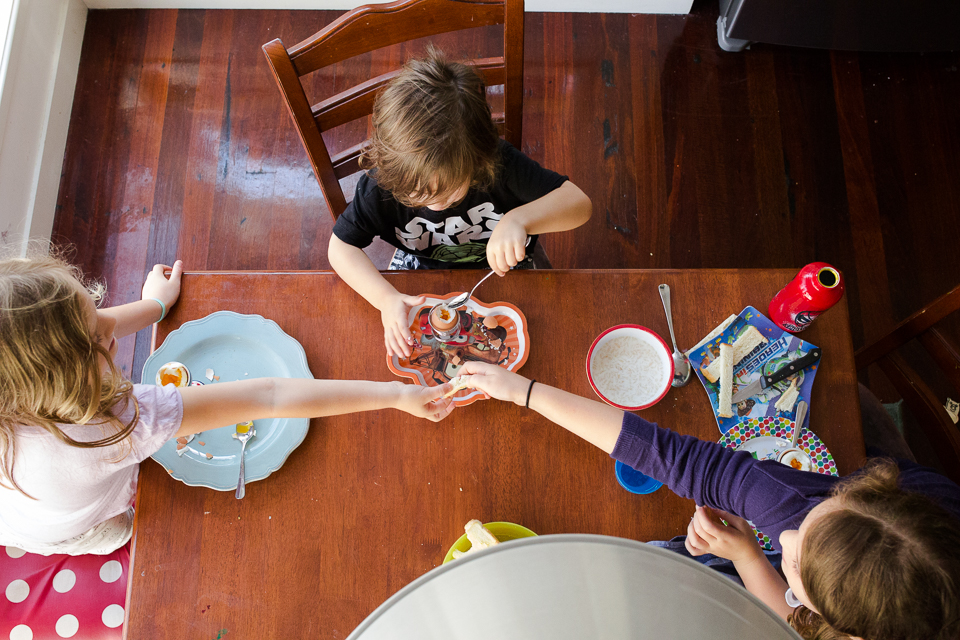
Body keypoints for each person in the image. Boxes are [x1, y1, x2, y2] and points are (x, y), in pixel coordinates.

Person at [458, 362, 960, 640]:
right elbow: (674, 457)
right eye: (820, 514)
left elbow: (797, 628)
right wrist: (525, 391)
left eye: (793, 561)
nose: (783, 533)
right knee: (858, 397)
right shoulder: (793, 504)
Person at [0, 254, 454, 556]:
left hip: (14, 518)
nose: (111, 323)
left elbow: (90, 331)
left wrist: (154, 307)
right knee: (114, 531)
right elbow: (270, 395)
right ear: (70, 376)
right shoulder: (123, 422)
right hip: (75, 529)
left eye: (98, 310)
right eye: (101, 334)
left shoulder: (16, 385)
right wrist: (397, 394)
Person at [328, 48, 592, 359]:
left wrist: (519, 219)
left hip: (509, 266)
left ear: (478, 162)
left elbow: (579, 204)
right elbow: (340, 248)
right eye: (416, 194)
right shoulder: (379, 185)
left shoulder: (497, 163)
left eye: (450, 193)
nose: (434, 205)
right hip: (420, 270)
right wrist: (386, 299)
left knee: (544, 343)